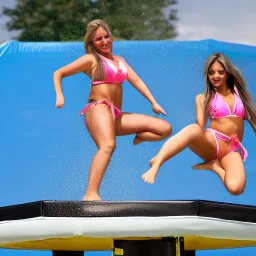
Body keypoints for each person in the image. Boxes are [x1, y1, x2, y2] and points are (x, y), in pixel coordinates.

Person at [53, 19, 172, 200]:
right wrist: (60, 96)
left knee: (164, 128)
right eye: (99, 39)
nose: (104, 41)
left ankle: (140, 137)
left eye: (106, 36)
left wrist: (153, 102)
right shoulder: (92, 59)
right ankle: (90, 194)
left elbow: (137, 81)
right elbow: (58, 73)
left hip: (114, 116)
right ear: (92, 44)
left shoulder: (120, 61)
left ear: (111, 37)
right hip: (98, 108)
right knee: (108, 145)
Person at [142, 52, 256, 196]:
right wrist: (200, 105)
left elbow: (253, 120)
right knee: (193, 129)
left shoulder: (238, 94)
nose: (216, 76)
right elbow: (199, 127)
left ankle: (214, 166)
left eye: (220, 72)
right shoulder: (204, 97)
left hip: (232, 149)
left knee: (236, 189)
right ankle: (157, 164)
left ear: (227, 73)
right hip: (213, 142)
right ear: (207, 76)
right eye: (211, 73)